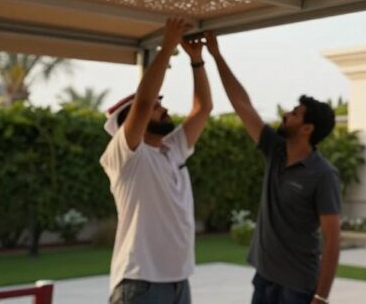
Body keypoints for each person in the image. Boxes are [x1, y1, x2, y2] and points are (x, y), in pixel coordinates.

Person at [204, 32, 341, 304]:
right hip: (264, 278)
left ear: (307, 128)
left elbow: (333, 238)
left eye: (294, 113)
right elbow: (242, 104)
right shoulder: (274, 150)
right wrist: (215, 56)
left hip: (297, 288)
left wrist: (321, 297)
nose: (286, 114)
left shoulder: (323, 175)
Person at [100, 18, 213, 304]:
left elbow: (203, 108)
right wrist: (168, 46)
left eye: (161, 105)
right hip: (140, 284)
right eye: (156, 107)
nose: (162, 109)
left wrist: (197, 61)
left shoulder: (173, 147)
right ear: (131, 122)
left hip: (178, 281)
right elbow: (143, 101)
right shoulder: (125, 155)